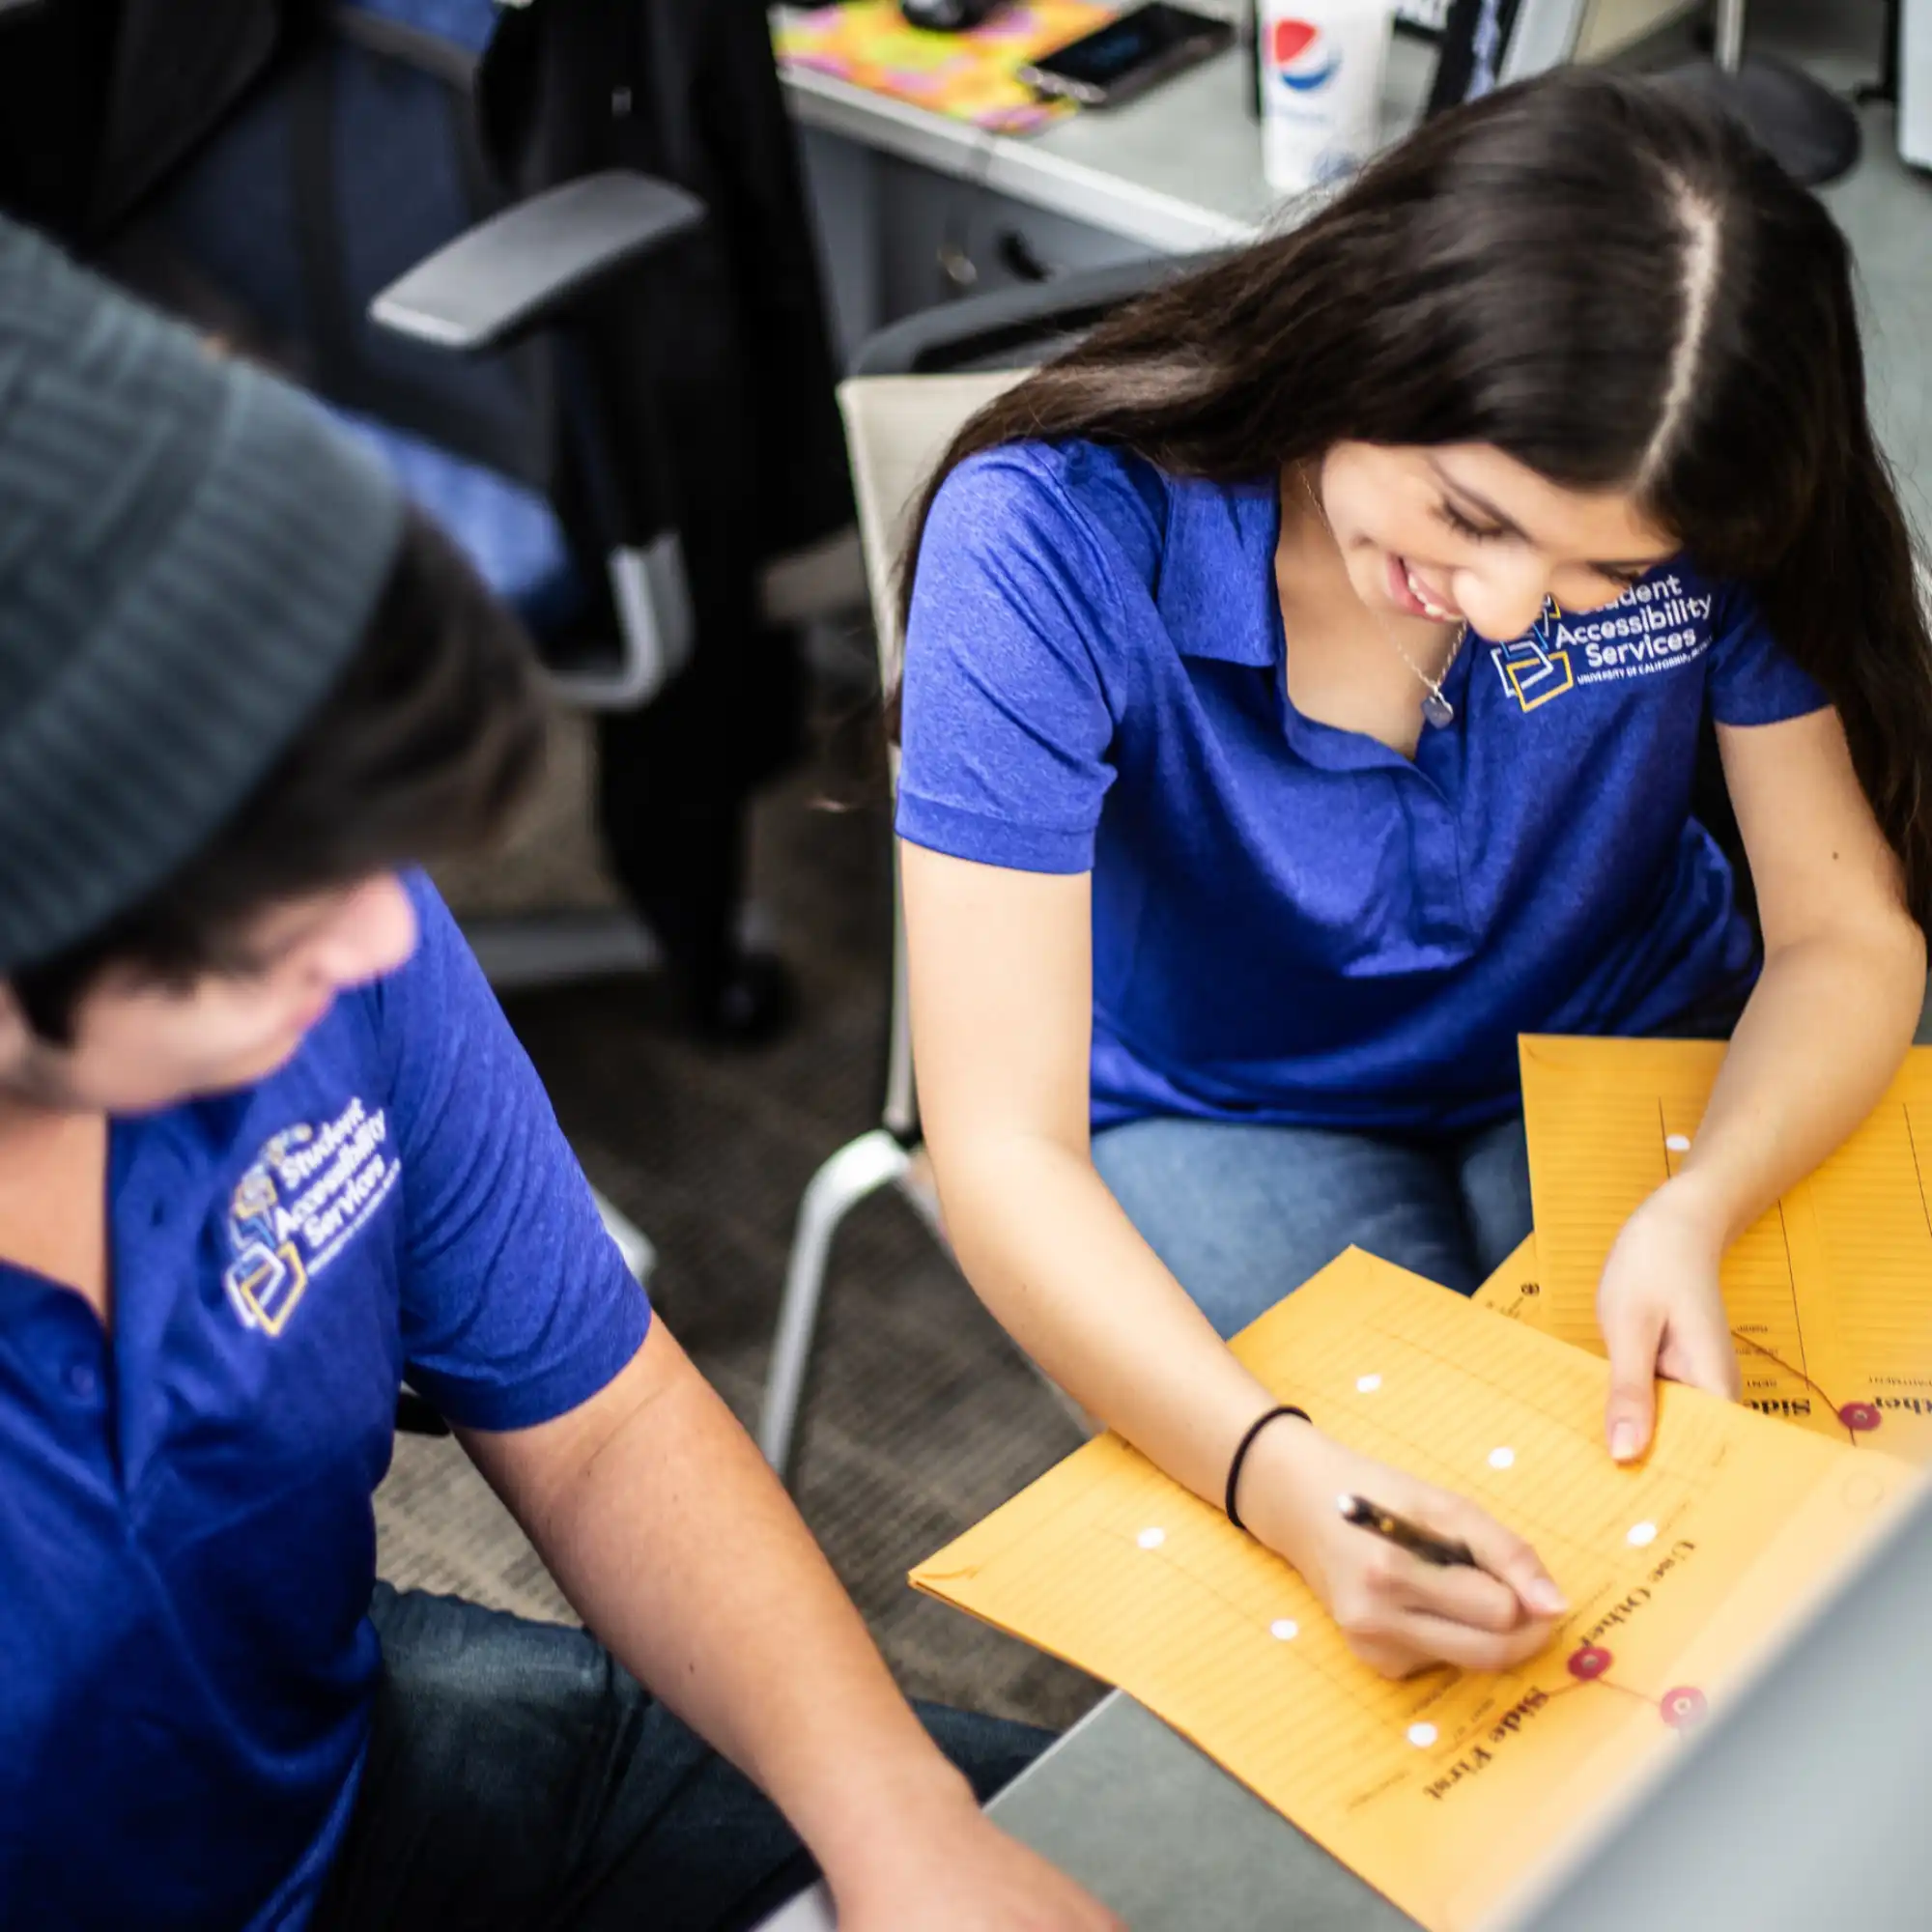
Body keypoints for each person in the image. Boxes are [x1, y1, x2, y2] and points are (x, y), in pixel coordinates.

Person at [0, 219, 1118, 1932]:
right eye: (281, 912)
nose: (385, 949)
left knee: (1115, 1857)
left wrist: (900, 1834)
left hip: (320, 1761)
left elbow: (599, 1424)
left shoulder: (339, 935)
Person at [893, 71, 1931, 1685]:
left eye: (1608, 576)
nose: (1515, 610)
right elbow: (1001, 1152)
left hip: (1635, 1038)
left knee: (1787, 1578)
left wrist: (1702, 1199)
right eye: (1467, 515)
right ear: (1364, 336)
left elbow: (1846, 932)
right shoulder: (1045, 542)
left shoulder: (1703, 490)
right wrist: (1274, 1476)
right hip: (1231, 1102)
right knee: (1458, 1619)